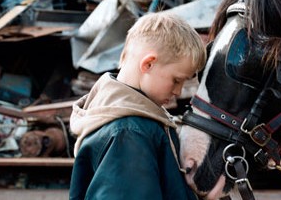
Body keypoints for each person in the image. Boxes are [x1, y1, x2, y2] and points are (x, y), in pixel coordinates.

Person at [68, 11, 207, 200]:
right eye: (176, 80)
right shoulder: (130, 132)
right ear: (148, 64)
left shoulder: (129, 120)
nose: (178, 91)